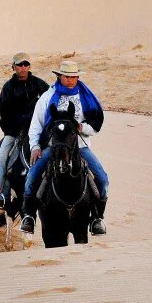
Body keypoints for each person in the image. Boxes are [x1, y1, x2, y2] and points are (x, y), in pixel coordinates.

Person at [20, 59, 109, 236]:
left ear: (77, 77)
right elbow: (36, 126)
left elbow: (95, 124)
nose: (69, 80)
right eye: (66, 76)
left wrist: (82, 128)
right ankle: (29, 217)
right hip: (52, 147)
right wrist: (35, 146)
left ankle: (97, 218)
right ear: (59, 76)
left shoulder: (86, 97)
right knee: (31, 177)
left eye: (73, 76)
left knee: (102, 179)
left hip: (80, 147)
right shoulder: (47, 96)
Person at [0, 53, 49, 210]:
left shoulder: (40, 85)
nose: (23, 68)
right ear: (13, 67)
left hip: (38, 132)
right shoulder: (8, 88)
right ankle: (1, 194)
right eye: (20, 65)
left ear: (29, 66)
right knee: (2, 156)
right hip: (14, 132)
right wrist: (16, 128)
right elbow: (4, 113)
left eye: (26, 64)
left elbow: (50, 105)